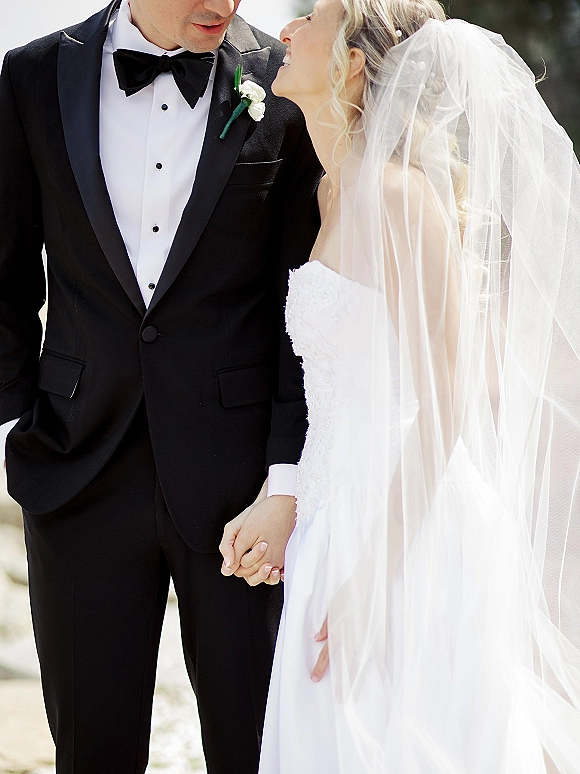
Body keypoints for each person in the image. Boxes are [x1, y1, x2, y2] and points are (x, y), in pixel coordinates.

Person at [254, 0, 580, 771]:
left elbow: (449, 400)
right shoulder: (331, 194)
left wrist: (376, 576)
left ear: (353, 62)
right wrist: (285, 497)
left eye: (313, 19)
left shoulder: (402, 199)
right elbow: (337, 391)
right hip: (330, 521)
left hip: (409, 527)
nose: (286, 31)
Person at [0, 1, 322, 772]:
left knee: (255, 750)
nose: (224, 5)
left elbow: (301, 302)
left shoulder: (285, 80)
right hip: (76, 472)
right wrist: (19, 421)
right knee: (91, 753)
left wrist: (286, 474)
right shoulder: (33, 75)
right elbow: (5, 273)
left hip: (242, 494)